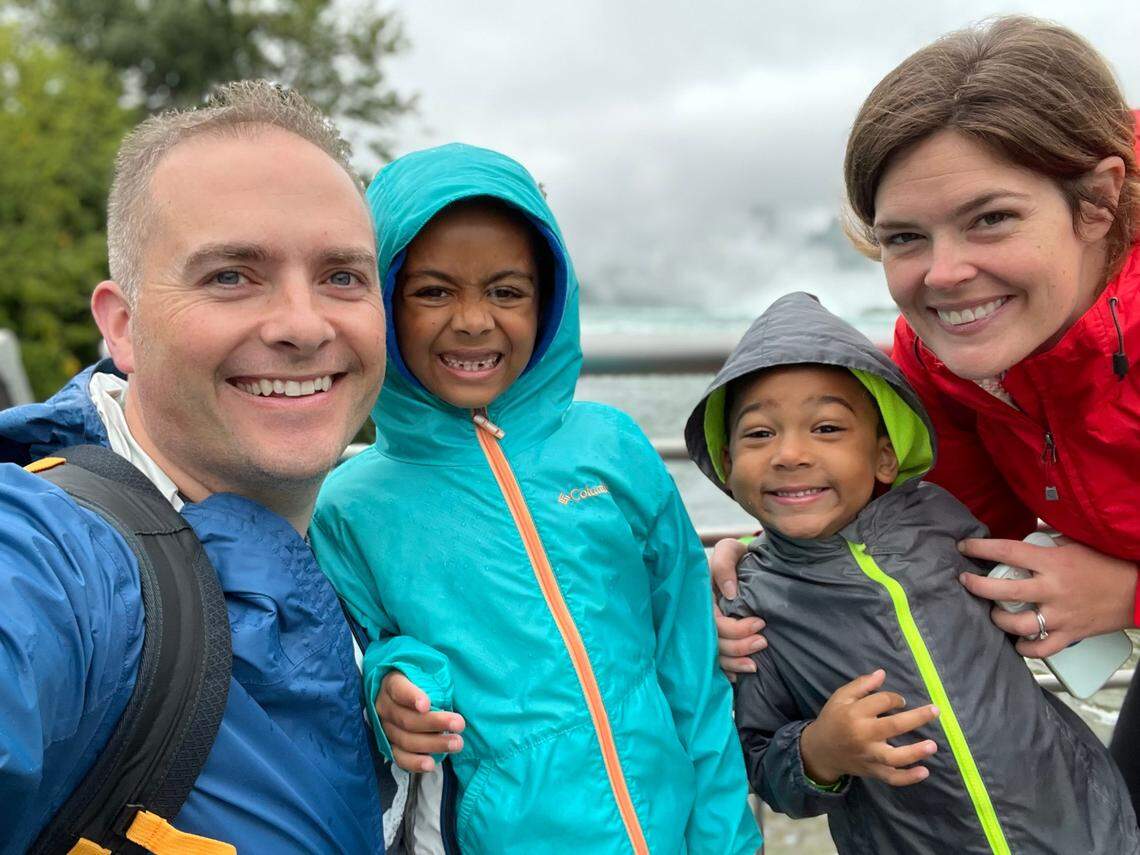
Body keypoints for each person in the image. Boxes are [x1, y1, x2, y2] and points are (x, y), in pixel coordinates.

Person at [712, 14, 1140, 812]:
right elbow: (916, 536)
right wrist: (755, 565)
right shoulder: (939, 362)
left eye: (991, 218)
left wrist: (1126, 595)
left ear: (1100, 200)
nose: (944, 275)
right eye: (905, 237)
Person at [310, 143, 760, 854]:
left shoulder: (611, 447)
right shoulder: (349, 504)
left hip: (676, 829)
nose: (473, 320)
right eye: (433, 290)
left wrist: (729, 838)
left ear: (550, 298)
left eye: (506, 290)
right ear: (385, 301)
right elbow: (348, 665)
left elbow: (689, 661)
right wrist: (389, 685)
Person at [0, 82, 388, 852]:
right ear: (124, 325)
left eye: (342, 276)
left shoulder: (366, 551)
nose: (304, 325)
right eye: (230, 276)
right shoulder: (58, 560)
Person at [687, 291, 1138, 853]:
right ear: (727, 464)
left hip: (1086, 827)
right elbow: (758, 761)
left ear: (884, 456)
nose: (789, 454)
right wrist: (819, 753)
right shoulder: (749, 609)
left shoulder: (940, 516)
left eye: (827, 428)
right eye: (759, 434)